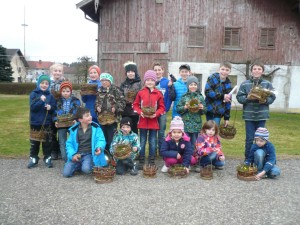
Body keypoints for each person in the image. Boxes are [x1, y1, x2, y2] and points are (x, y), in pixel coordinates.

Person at [236, 62, 276, 159]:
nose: (256, 71)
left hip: (262, 115)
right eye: (254, 69)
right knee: (249, 139)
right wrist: (248, 98)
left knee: (261, 138)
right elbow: (239, 98)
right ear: (251, 71)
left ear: (262, 71)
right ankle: (248, 159)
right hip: (249, 116)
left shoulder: (267, 84)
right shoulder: (245, 84)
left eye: (259, 69)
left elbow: (273, 97)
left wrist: (265, 100)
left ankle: (260, 158)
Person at [133, 70, 165, 169]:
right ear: (145, 81)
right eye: (148, 80)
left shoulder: (158, 93)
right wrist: (140, 112)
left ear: (155, 81)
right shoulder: (141, 93)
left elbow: (162, 107)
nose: (150, 82)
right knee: (142, 141)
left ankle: (151, 159)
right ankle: (142, 160)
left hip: (153, 122)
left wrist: (156, 114)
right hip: (142, 122)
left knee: (152, 141)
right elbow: (135, 105)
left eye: (152, 80)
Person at [63, 107, 107, 178]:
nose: (90, 117)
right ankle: (80, 164)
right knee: (66, 173)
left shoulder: (96, 128)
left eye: (90, 115)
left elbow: (101, 140)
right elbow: (69, 144)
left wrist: (99, 147)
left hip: (89, 154)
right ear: (80, 120)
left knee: (86, 170)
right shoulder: (74, 130)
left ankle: (89, 164)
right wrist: (73, 155)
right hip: (77, 154)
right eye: (87, 116)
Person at [28, 75, 56, 169]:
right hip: (35, 122)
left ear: (49, 85)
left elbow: (54, 108)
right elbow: (33, 108)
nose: (44, 85)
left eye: (46, 83)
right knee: (35, 142)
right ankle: (33, 158)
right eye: (42, 83)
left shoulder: (50, 95)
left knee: (47, 143)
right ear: (38, 83)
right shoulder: (34, 94)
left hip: (47, 123)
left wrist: (50, 108)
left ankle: (47, 157)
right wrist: (40, 100)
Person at [95, 72, 126, 151]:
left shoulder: (116, 90)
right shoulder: (99, 91)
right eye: (102, 80)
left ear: (110, 81)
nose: (104, 82)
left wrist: (116, 107)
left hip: (113, 120)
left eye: (106, 80)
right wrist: (97, 107)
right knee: (103, 138)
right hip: (102, 119)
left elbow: (122, 102)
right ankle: (104, 156)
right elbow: (96, 102)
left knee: (111, 138)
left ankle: (112, 155)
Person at [54, 81, 81, 162]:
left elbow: (77, 111)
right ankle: (66, 159)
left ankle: (76, 156)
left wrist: (75, 119)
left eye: (67, 91)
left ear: (71, 92)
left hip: (72, 124)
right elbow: (55, 112)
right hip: (61, 125)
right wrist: (56, 120)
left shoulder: (75, 101)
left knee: (75, 140)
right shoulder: (58, 101)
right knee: (62, 142)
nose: (65, 93)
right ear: (61, 92)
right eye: (63, 91)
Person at [176, 76, 206, 147]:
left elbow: (204, 111)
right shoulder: (184, 97)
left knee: (194, 143)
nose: (193, 86)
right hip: (186, 124)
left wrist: (202, 108)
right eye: (191, 85)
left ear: (197, 86)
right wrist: (184, 107)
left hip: (196, 125)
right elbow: (178, 108)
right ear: (188, 86)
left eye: (195, 85)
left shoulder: (200, 97)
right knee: (185, 143)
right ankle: (186, 156)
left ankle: (194, 156)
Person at [205, 62, 232, 126]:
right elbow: (207, 92)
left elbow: (228, 102)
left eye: (227, 70)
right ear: (219, 69)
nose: (224, 72)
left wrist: (226, 117)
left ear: (230, 72)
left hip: (219, 111)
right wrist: (222, 96)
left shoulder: (228, 84)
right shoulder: (212, 78)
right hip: (209, 109)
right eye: (222, 69)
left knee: (215, 129)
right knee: (208, 129)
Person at [153, 62, 172, 154]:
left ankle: (162, 150)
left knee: (161, 132)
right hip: (152, 112)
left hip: (162, 111)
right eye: (155, 70)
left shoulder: (167, 82)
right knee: (153, 132)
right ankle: (153, 150)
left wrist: (166, 109)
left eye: (159, 70)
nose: (157, 72)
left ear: (163, 71)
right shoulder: (150, 82)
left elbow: (169, 97)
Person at [120, 61, 142, 134]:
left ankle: (134, 144)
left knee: (134, 129)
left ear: (135, 72)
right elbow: (120, 96)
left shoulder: (139, 83)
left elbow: (141, 95)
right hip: (125, 111)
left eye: (132, 71)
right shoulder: (123, 84)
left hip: (135, 111)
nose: (130, 73)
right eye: (128, 72)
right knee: (125, 129)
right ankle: (125, 144)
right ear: (126, 73)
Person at [49, 63, 65, 160]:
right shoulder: (49, 83)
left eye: (59, 71)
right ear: (52, 72)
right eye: (55, 71)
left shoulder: (64, 83)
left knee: (62, 131)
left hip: (62, 110)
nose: (57, 73)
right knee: (52, 131)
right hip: (51, 110)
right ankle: (54, 150)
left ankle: (60, 149)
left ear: (62, 72)